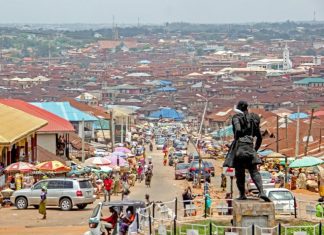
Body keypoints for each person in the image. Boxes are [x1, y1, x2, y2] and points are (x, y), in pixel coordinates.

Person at [224, 100, 270, 202]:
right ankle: (261, 192)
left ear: (239, 108)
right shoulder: (254, 119)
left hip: (240, 147)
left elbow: (238, 129)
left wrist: (237, 137)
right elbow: (259, 137)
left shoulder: (236, 117)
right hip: (250, 147)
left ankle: (242, 194)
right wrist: (255, 150)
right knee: (254, 171)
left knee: (240, 173)